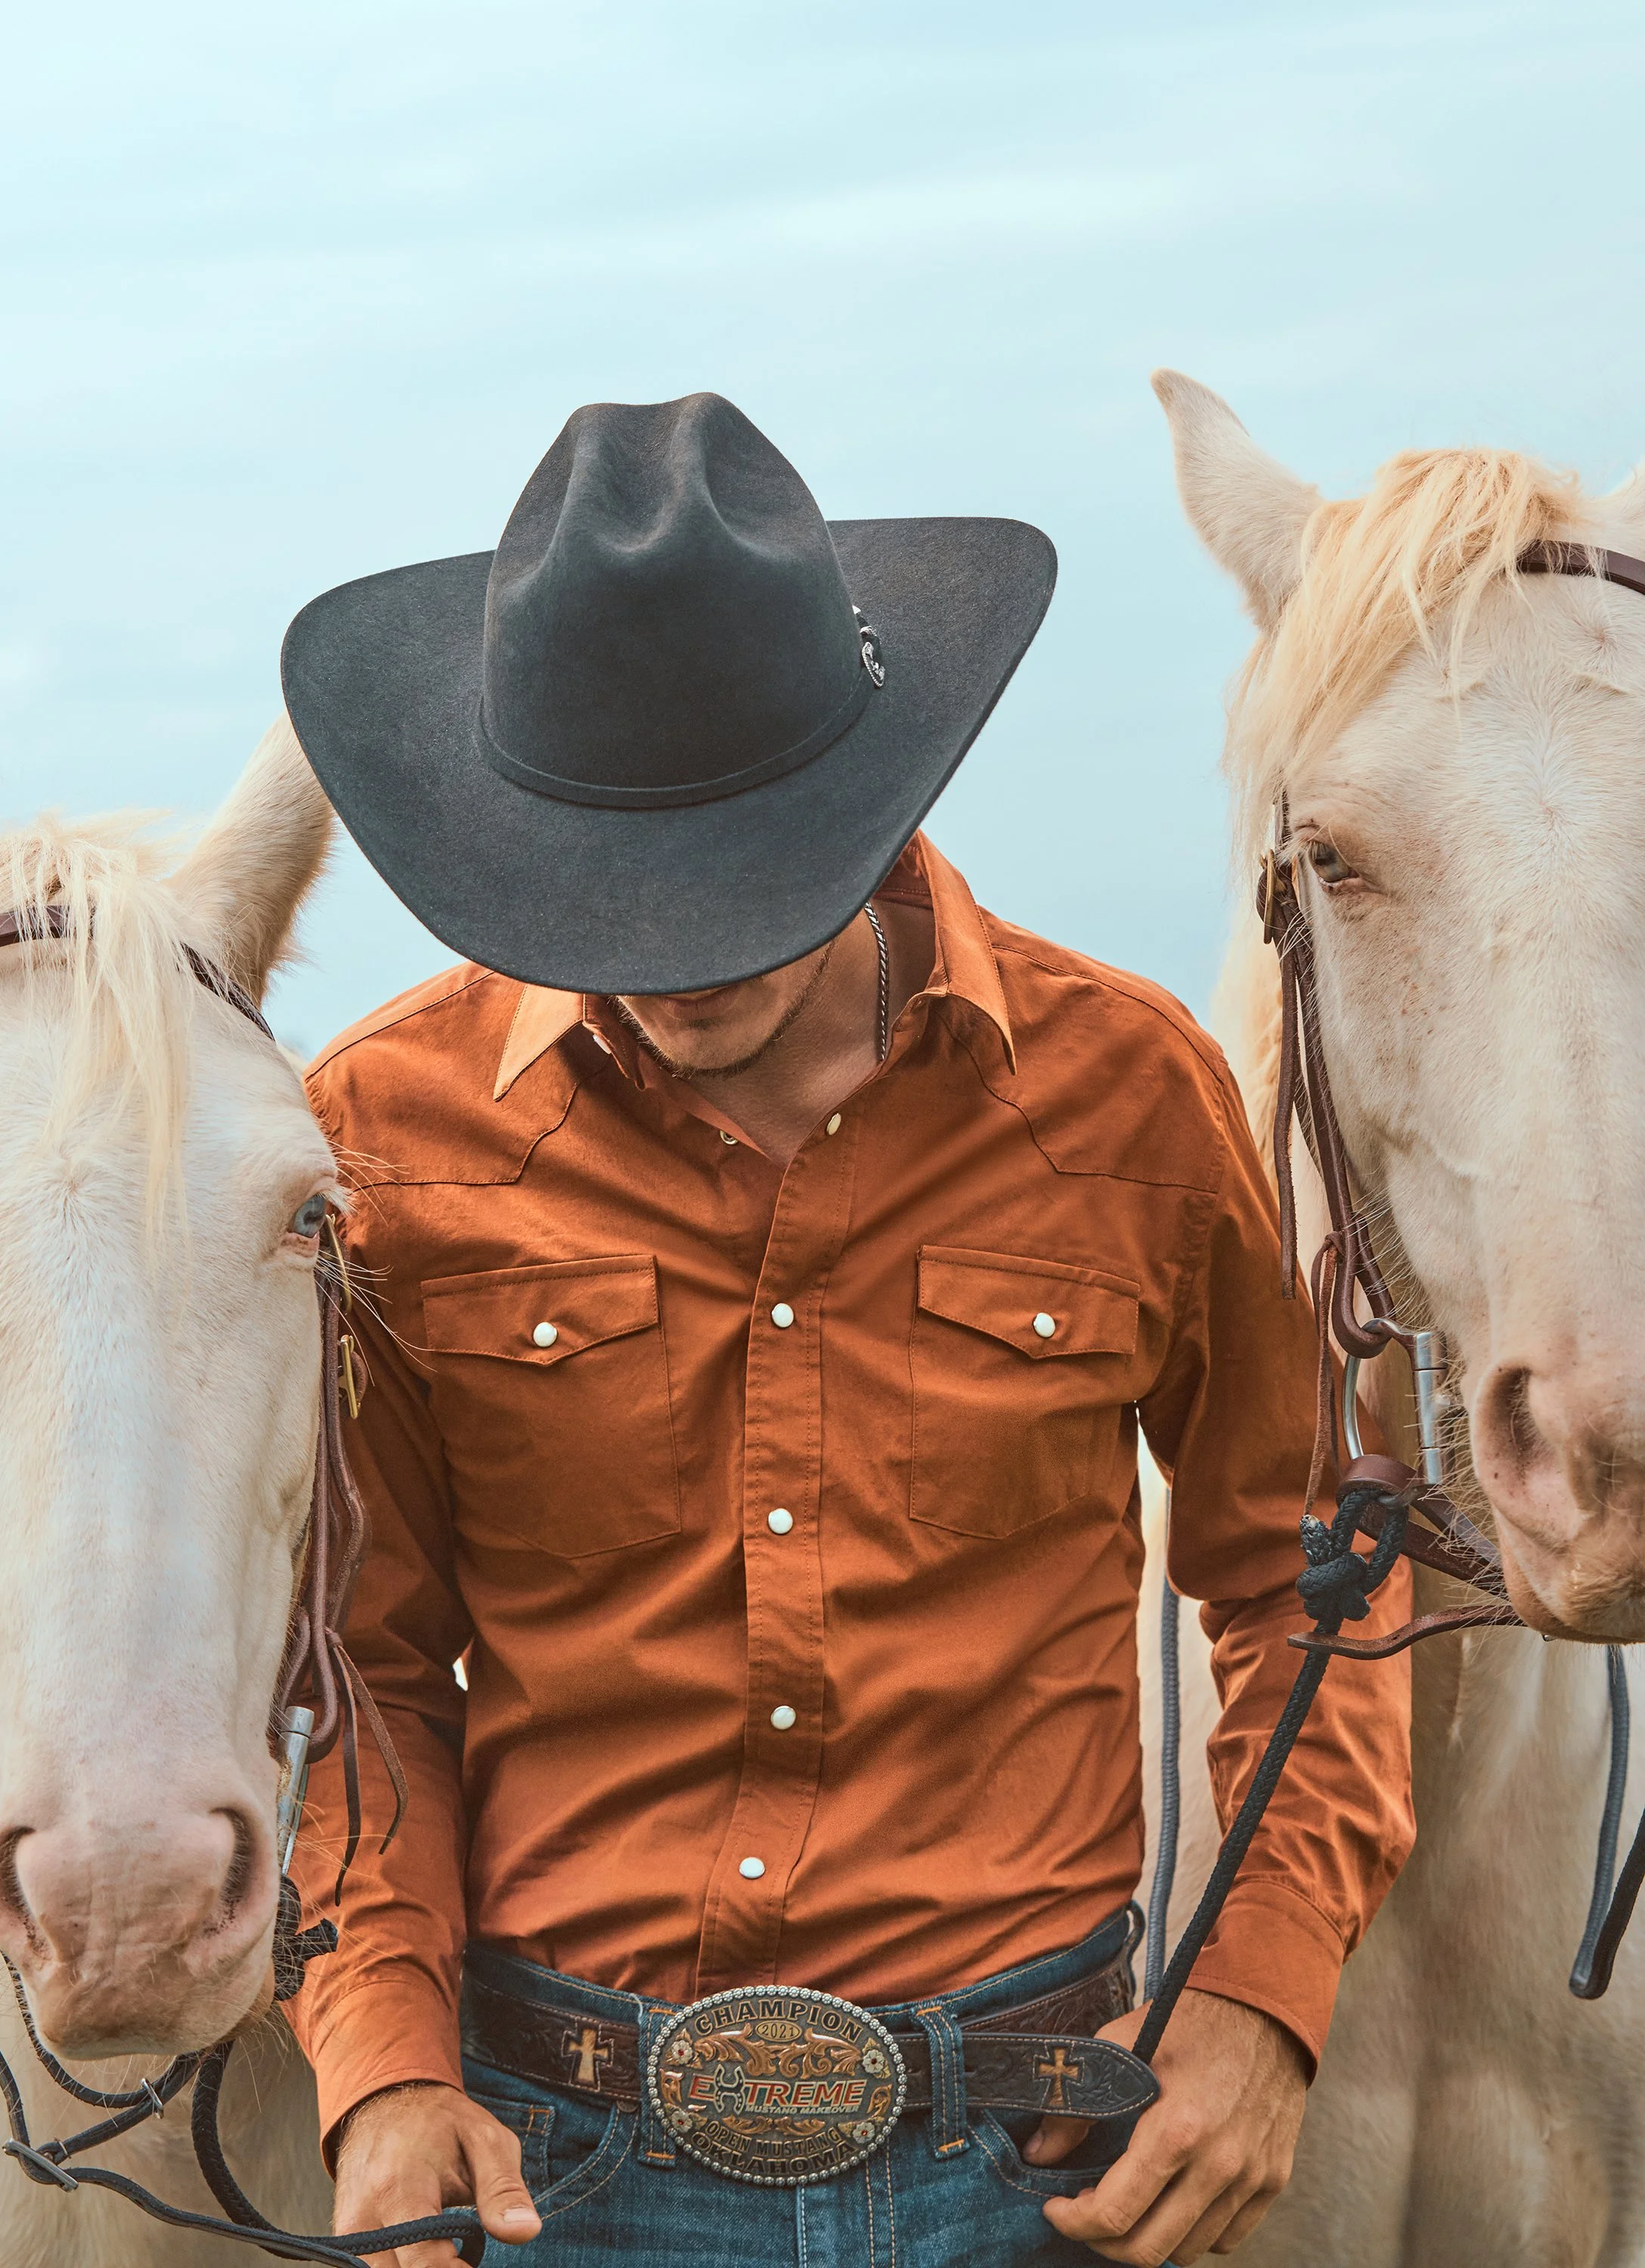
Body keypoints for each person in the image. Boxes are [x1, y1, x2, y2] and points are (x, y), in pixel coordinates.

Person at [276, 392, 1414, 2268]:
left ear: (869, 793)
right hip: (550, 2179)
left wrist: (1261, 2005)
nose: (668, 967)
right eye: (599, 901)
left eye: (732, 888)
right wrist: (383, 2067)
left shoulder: (1128, 1094)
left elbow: (1312, 1579)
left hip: (1042, 2169)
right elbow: (361, 1660)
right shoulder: (385, 1140)